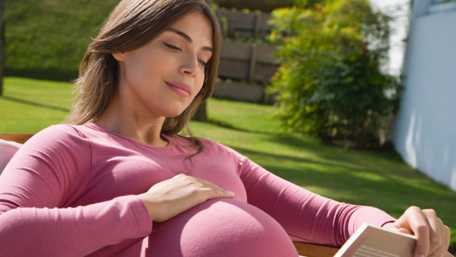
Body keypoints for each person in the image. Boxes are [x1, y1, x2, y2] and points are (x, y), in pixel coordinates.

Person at [0, 0, 452, 257]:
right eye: (173, 45)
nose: (189, 69)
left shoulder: (214, 155)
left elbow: (336, 217)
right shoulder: (70, 144)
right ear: (122, 46)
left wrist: (399, 226)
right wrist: (143, 209)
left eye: (203, 58)